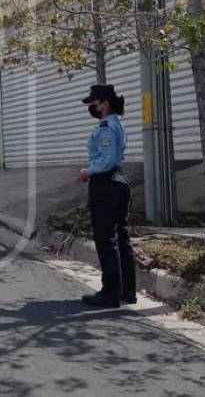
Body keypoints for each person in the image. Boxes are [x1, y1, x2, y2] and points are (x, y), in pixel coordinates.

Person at [76, 84, 135, 308]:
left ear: (105, 103)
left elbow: (107, 159)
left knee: (106, 240)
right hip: (118, 182)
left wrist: (87, 172)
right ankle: (127, 292)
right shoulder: (118, 123)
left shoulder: (106, 127)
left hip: (106, 184)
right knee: (121, 238)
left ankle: (110, 294)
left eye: (94, 102)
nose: (92, 106)